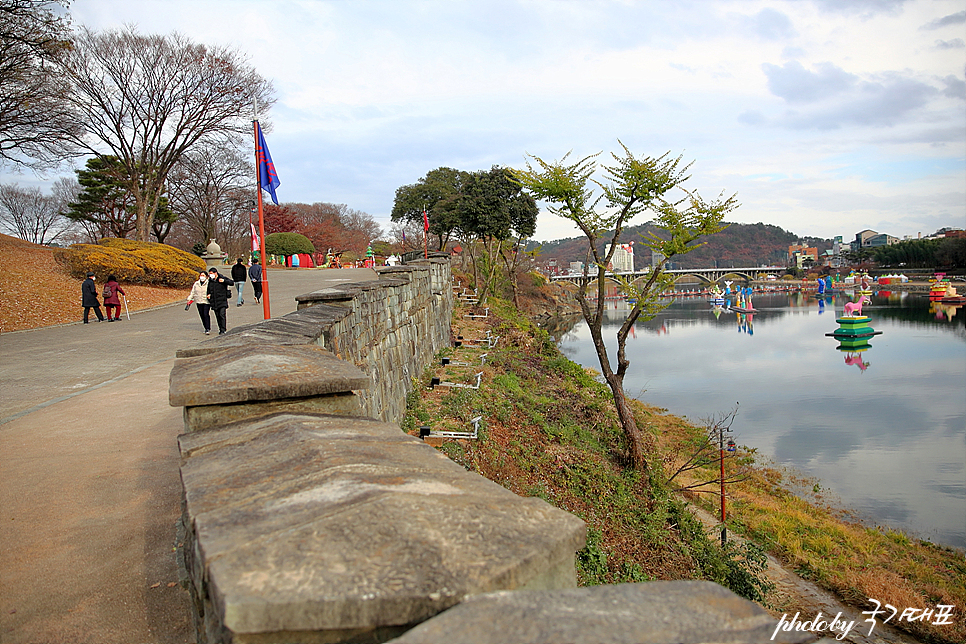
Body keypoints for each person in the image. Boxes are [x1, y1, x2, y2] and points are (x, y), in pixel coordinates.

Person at [206, 267, 234, 335]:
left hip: (222, 300)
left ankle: (223, 329)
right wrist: (208, 294)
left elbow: (231, 282)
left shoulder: (221, 278)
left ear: (215, 273)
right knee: (217, 316)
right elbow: (208, 289)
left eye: (211, 273)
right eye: (209, 274)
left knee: (222, 315)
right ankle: (220, 328)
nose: (210, 275)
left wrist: (224, 281)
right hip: (214, 301)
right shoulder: (211, 281)